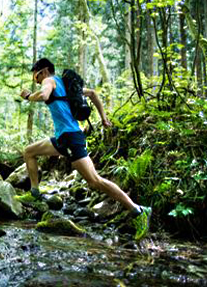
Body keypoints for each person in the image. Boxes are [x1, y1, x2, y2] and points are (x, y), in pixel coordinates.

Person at [20, 58, 151, 240]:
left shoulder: (49, 81)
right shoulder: (65, 85)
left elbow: (43, 95)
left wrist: (28, 96)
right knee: (29, 152)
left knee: (94, 180)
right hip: (62, 139)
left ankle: (138, 211)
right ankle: (34, 193)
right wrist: (104, 118)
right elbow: (93, 93)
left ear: (44, 71)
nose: (36, 80)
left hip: (72, 138)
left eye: (36, 76)